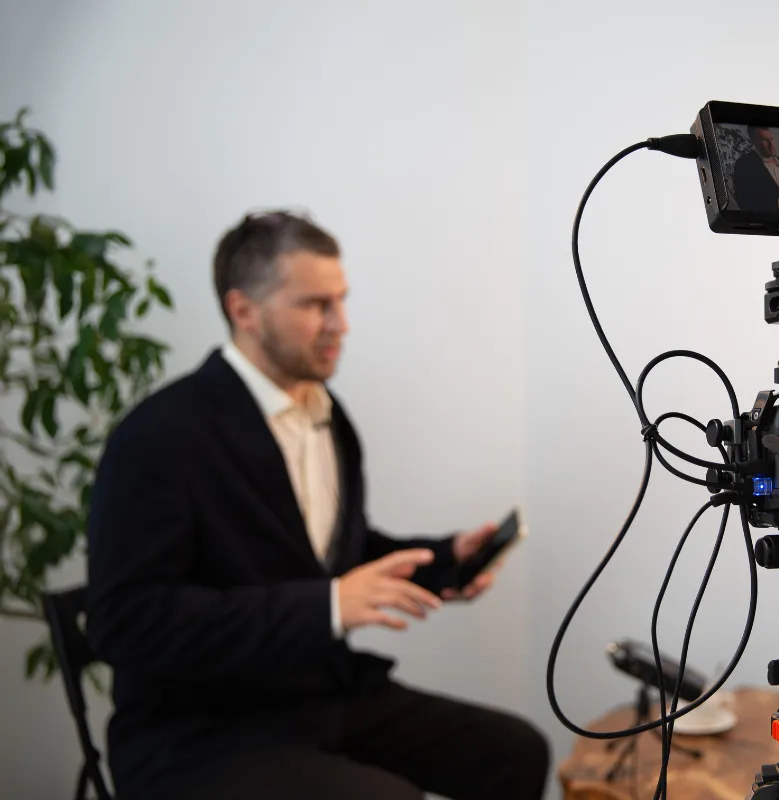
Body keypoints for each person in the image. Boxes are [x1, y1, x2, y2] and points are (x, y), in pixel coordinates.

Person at [85, 210, 550, 799]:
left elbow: (327, 553)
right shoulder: (157, 436)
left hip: (317, 695)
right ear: (243, 310)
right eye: (315, 305)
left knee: (516, 753)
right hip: (198, 728)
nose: (341, 324)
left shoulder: (326, 414)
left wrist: (443, 561)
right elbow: (125, 623)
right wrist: (326, 606)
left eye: (342, 300)